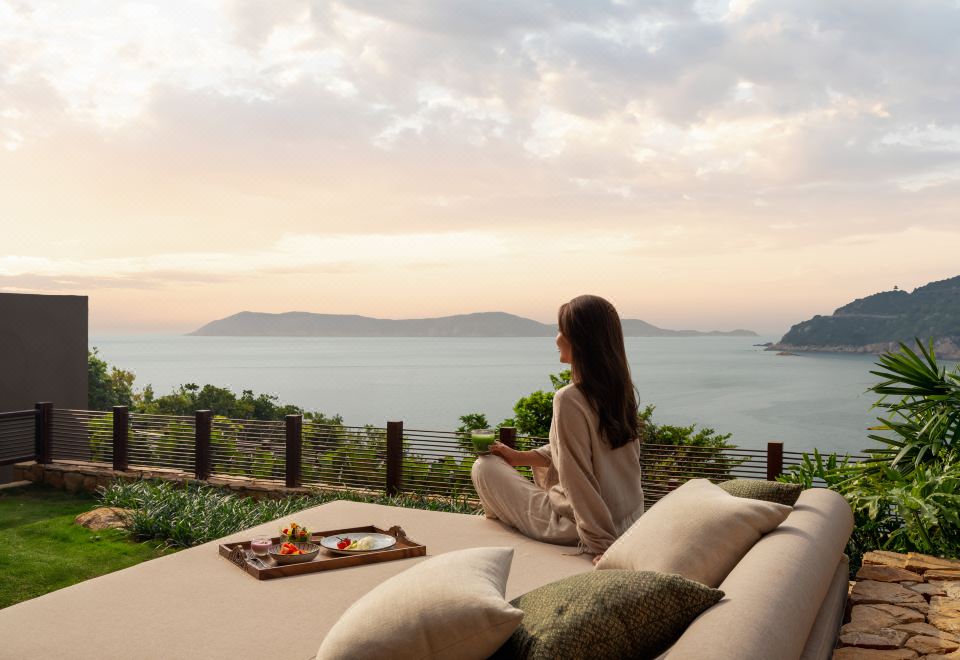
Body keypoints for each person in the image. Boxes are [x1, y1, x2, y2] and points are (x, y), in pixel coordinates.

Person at [471, 294, 644, 562]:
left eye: (562, 331)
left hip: (578, 527)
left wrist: (603, 546)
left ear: (580, 340)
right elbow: (581, 452)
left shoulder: (569, 398)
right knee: (508, 469)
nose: (557, 338)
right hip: (628, 522)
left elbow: (577, 478)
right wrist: (520, 457)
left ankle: (502, 522)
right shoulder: (621, 392)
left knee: (484, 467)